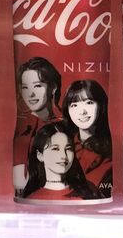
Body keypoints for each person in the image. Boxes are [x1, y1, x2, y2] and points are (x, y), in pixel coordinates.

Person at [12, 56, 62, 194]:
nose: (31, 93)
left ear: (53, 88)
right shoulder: (16, 126)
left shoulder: (64, 127)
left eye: (38, 86)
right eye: (25, 87)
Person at [21, 121, 99, 201]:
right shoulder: (32, 199)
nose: (63, 156)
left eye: (68, 149)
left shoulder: (89, 190)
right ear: (40, 155)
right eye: (55, 149)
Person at [62, 80, 112, 198]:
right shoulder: (63, 142)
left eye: (89, 103)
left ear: (101, 105)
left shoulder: (111, 149)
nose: (82, 112)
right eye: (74, 105)